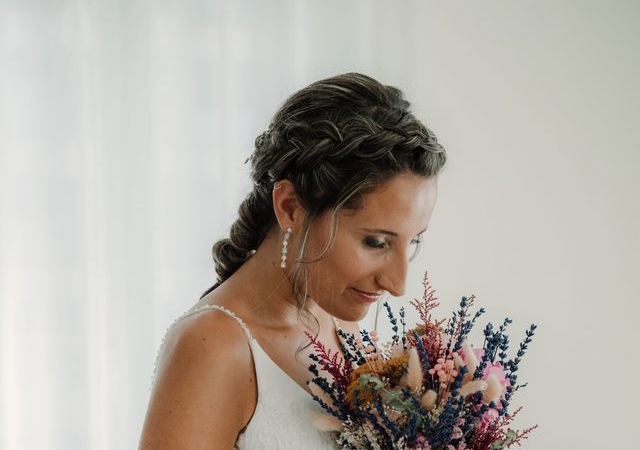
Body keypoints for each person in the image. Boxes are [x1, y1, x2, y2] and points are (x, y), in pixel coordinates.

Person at [138, 73, 447, 449]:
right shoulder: (213, 347)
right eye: (375, 242)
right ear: (290, 208)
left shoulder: (341, 324)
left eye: (412, 243)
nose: (398, 285)